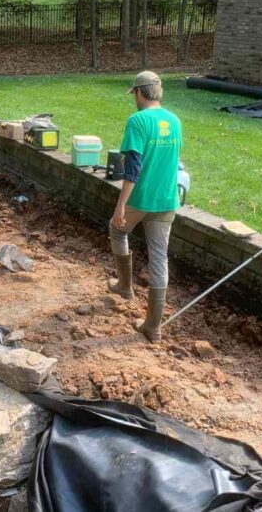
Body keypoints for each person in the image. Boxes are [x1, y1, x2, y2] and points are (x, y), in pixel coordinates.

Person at [108, 71, 183, 342]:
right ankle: (153, 326)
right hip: (166, 200)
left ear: (139, 93)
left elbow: (133, 167)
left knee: (117, 230)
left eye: (134, 95)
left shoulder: (137, 120)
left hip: (141, 199)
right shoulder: (174, 121)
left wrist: (121, 205)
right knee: (159, 257)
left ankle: (125, 287)